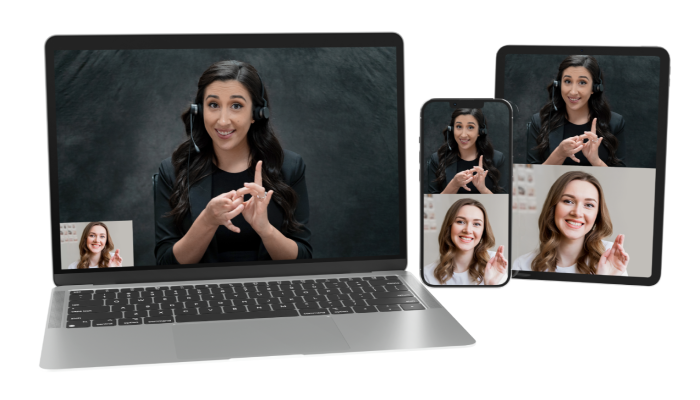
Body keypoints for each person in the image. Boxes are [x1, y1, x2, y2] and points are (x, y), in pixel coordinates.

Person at [155, 60, 312, 265]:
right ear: (200, 110)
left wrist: (265, 229)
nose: (222, 121)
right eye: (213, 105)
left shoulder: (290, 167)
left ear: (256, 113)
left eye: (236, 106)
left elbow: (304, 259)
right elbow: (165, 264)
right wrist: (207, 221)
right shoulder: (173, 171)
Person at [513, 171, 629, 275]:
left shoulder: (610, 256)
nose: (577, 213)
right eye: (568, 201)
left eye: (589, 205)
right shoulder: (522, 265)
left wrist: (604, 280)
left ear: (597, 215)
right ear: (552, 208)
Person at [527, 55, 626, 167]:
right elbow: (531, 180)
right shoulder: (539, 121)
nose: (573, 91)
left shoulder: (615, 123)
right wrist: (559, 154)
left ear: (595, 88)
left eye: (582, 82)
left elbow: (620, 181)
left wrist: (596, 161)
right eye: (568, 81)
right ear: (559, 85)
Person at [423, 198, 508, 285]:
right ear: (449, 227)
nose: (468, 230)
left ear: (483, 232)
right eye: (460, 222)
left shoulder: (496, 264)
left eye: (476, 224)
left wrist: (491, 285)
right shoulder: (427, 275)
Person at [427, 108, 506, 194]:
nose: (463, 134)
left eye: (470, 127)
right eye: (459, 126)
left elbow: (504, 205)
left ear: (480, 131)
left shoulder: (498, 159)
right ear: (452, 129)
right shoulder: (437, 159)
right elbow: (432, 204)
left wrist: (483, 189)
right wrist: (454, 185)